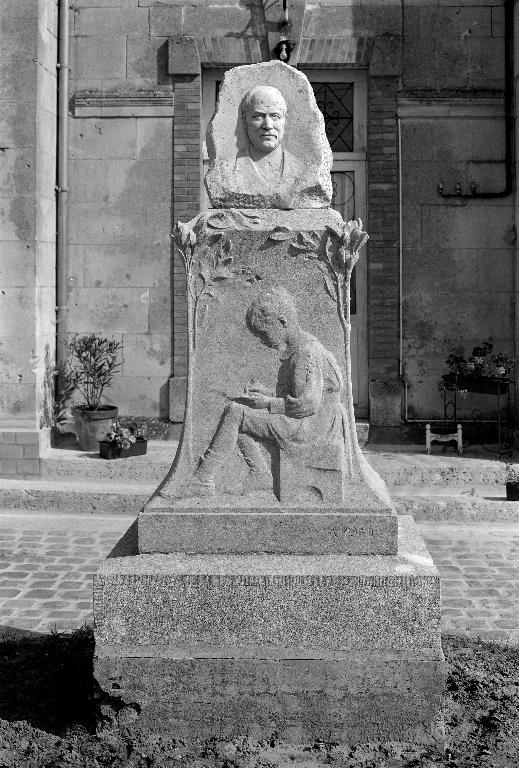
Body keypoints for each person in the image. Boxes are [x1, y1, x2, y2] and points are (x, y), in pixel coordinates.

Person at [187, 287, 347, 496]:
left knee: (235, 413)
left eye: (264, 333)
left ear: (282, 322)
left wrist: (267, 403)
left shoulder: (307, 354)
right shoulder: (302, 350)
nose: (263, 341)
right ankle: (260, 474)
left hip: (310, 428)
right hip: (308, 423)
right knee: (239, 411)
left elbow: (307, 405)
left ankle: (203, 478)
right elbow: (298, 395)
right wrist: (266, 393)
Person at [205, 85, 331, 209]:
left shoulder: (305, 171)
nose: (268, 125)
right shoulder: (225, 173)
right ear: (244, 121)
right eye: (258, 116)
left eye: (275, 116)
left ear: (285, 121)